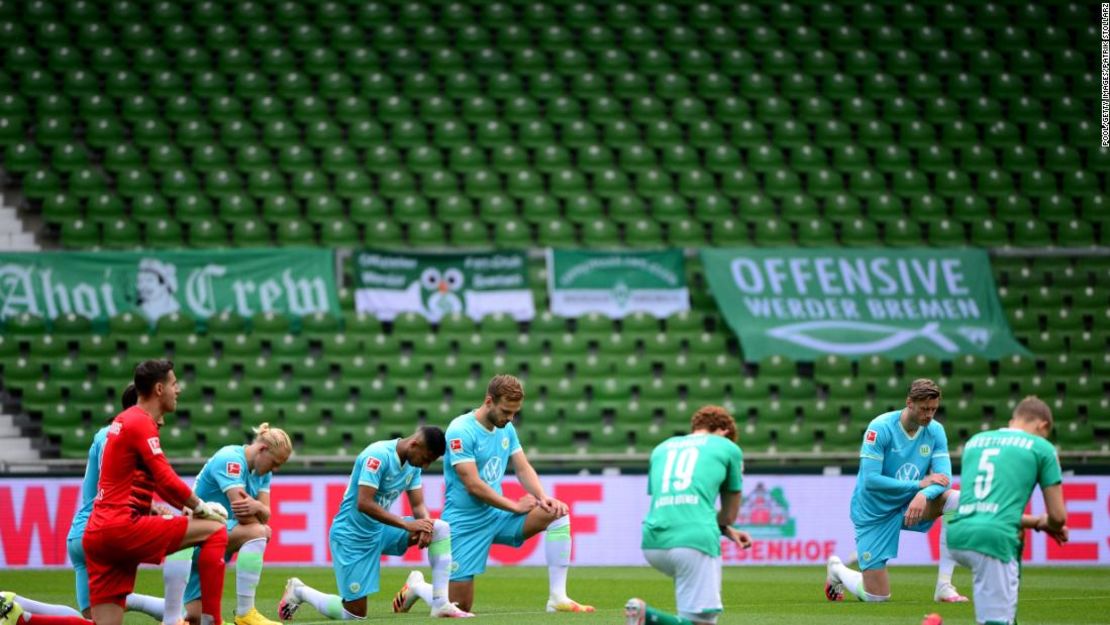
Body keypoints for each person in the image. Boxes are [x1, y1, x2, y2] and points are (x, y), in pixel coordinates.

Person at [7, 384, 188, 625]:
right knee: (185, 536)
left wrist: (150, 504)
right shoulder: (117, 432)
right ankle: (177, 616)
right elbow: (113, 477)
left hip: (81, 533)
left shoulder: (114, 432)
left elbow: (117, 478)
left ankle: (16, 607)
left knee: (94, 617)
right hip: (106, 529)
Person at [423, 374, 592, 614]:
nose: (510, 418)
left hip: (497, 517)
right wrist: (514, 506)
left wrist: (542, 497)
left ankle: (557, 597)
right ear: (489, 401)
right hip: (464, 522)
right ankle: (418, 587)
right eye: (506, 411)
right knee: (458, 607)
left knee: (557, 512)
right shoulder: (460, 430)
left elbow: (522, 467)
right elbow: (473, 484)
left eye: (514, 412)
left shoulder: (507, 428)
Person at [82, 360, 231, 625]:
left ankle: (25, 617)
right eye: (175, 384)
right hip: (121, 528)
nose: (179, 390)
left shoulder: (124, 420)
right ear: (159, 388)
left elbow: (133, 482)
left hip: (98, 533)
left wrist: (163, 506)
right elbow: (165, 478)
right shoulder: (140, 421)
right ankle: (211, 621)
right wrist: (200, 508)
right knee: (215, 529)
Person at [279, 426, 472, 619]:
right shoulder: (378, 455)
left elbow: (419, 504)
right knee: (353, 615)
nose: (426, 466)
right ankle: (299, 591)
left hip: (381, 530)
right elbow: (364, 503)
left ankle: (439, 603)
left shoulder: (413, 465)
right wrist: (407, 525)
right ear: (415, 444)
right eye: (427, 459)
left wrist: (427, 525)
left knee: (440, 528)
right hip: (352, 536)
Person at [826, 378, 967, 603]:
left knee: (956, 500)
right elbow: (871, 480)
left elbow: (944, 479)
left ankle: (944, 586)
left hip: (911, 504)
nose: (929, 415)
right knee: (876, 597)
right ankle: (837, 570)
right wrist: (918, 485)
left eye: (933, 409)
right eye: (924, 409)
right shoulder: (880, 428)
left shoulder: (935, 431)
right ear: (909, 403)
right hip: (874, 511)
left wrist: (923, 494)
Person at [624, 405, 753, 625]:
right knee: (702, 623)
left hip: (653, 542)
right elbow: (729, 515)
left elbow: (674, 501)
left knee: (690, 618)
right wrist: (725, 525)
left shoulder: (662, 448)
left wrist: (726, 531)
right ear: (723, 430)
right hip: (694, 542)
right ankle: (648, 617)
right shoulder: (727, 447)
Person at [947, 396, 1069, 625]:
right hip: (993, 541)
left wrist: (1037, 523)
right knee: (998, 621)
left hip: (957, 534)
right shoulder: (1042, 448)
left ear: (1014, 420)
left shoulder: (976, 441)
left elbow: (988, 508)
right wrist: (1052, 525)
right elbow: (1059, 516)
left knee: (998, 618)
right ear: (1043, 426)